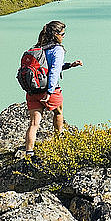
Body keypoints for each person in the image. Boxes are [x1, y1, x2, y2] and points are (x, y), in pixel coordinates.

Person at [25, 20, 83, 156]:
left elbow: (46, 68)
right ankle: (58, 142)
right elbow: (54, 71)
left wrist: (70, 65)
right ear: (56, 34)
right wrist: (50, 92)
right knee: (58, 112)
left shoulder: (38, 48)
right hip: (50, 90)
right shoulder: (57, 49)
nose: (63, 36)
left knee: (34, 123)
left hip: (33, 90)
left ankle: (29, 152)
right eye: (62, 34)